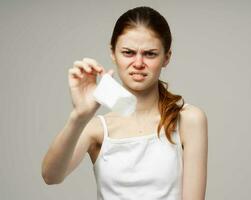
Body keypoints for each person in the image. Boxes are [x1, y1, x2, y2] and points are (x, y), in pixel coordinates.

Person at [41, 6, 208, 200]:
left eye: (150, 54)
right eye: (128, 52)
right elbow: (50, 176)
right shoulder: (97, 128)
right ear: (113, 53)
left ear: (166, 57)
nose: (138, 63)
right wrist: (79, 116)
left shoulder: (188, 119)